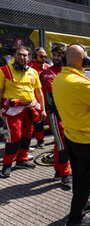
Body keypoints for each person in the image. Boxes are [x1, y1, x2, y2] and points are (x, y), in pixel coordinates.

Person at [52, 43, 90, 226]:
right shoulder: (81, 83)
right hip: (87, 139)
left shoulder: (59, 78)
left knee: (79, 174)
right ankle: (75, 220)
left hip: (71, 134)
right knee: (86, 178)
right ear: (84, 61)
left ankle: (82, 202)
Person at [0, 45, 46, 178]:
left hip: (30, 109)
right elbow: (0, 91)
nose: (22, 57)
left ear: (29, 57)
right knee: (14, 137)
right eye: (19, 54)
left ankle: (21, 160)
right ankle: (7, 166)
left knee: (27, 135)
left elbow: (39, 92)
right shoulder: (4, 70)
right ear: (14, 54)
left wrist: (42, 109)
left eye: (25, 55)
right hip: (13, 110)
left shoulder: (33, 72)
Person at [40, 44, 72, 186]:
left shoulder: (67, 71)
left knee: (60, 142)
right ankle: (65, 173)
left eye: (59, 55)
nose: (55, 58)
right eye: (54, 55)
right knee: (63, 142)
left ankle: (58, 171)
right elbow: (57, 93)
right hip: (55, 113)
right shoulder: (49, 73)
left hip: (67, 112)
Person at [28, 47, 50, 150]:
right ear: (34, 56)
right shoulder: (29, 67)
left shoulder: (47, 66)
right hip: (34, 100)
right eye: (41, 56)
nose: (44, 58)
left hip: (47, 98)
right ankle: (40, 141)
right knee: (38, 122)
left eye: (45, 56)